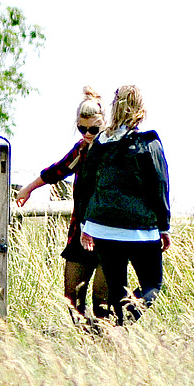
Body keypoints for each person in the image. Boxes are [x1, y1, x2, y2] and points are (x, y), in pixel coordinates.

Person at [79, 85, 171, 325]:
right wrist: (164, 226)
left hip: (102, 229)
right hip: (141, 229)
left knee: (117, 289)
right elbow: (160, 185)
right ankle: (129, 317)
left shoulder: (100, 142)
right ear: (140, 109)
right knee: (152, 284)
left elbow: (86, 185)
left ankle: (120, 332)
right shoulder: (148, 143)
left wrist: (85, 224)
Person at [16, 87, 108, 320]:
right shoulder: (81, 150)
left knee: (102, 302)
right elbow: (57, 170)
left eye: (93, 129)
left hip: (108, 234)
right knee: (72, 297)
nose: (87, 134)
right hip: (80, 232)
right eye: (82, 128)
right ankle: (83, 341)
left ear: (104, 124)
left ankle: (105, 345)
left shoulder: (112, 152)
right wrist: (28, 188)